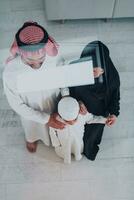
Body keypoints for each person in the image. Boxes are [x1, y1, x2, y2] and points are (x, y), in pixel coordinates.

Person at [2, 21, 71, 153]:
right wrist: (46, 119)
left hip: (54, 104)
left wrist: (66, 98)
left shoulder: (55, 58)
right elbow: (16, 105)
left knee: (54, 126)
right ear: (20, 53)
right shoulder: (11, 72)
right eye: (30, 62)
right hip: (30, 112)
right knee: (32, 128)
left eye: (41, 60)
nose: (36, 66)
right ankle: (31, 139)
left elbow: (64, 80)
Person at [69, 40, 120, 161]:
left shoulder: (112, 78)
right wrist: (78, 102)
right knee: (73, 135)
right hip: (79, 109)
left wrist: (114, 114)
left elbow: (115, 97)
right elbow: (68, 90)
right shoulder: (74, 69)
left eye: (98, 70)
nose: (94, 74)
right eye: (90, 69)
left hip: (99, 110)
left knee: (90, 139)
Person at [49, 96, 106, 164]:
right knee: (64, 150)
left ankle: (77, 154)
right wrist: (56, 144)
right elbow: (52, 132)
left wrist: (105, 120)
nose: (72, 122)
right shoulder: (56, 120)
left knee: (78, 148)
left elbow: (92, 118)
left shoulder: (82, 115)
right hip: (63, 143)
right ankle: (66, 154)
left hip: (78, 142)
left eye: (75, 119)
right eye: (68, 121)